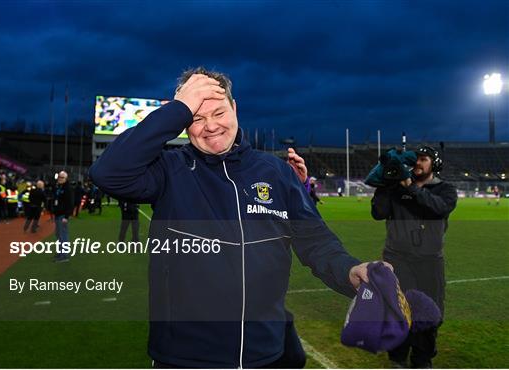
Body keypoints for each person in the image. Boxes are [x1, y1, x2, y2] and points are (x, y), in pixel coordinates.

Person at [89, 67, 381, 368]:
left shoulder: (276, 172)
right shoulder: (168, 170)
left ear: (235, 108)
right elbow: (107, 173)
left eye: (218, 112)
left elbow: (315, 240)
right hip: (186, 359)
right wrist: (177, 109)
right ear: (183, 122)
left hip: (266, 354)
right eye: (197, 117)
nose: (211, 126)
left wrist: (349, 270)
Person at [371, 145, 457, 368]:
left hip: (430, 261)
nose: (418, 163)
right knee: (399, 309)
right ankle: (398, 357)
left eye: (424, 159)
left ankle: (422, 358)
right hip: (397, 258)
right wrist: (385, 183)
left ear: (434, 164)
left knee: (430, 311)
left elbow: (437, 208)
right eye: (415, 159)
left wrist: (411, 187)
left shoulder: (445, 189)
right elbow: (378, 213)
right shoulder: (395, 188)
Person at [52, 171, 74, 262]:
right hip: (58, 214)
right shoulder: (59, 187)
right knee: (58, 235)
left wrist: (66, 216)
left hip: (62, 215)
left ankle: (64, 255)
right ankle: (60, 252)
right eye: (59, 177)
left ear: (66, 179)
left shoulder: (68, 188)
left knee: (63, 235)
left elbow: (70, 203)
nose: (60, 179)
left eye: (62, 177)